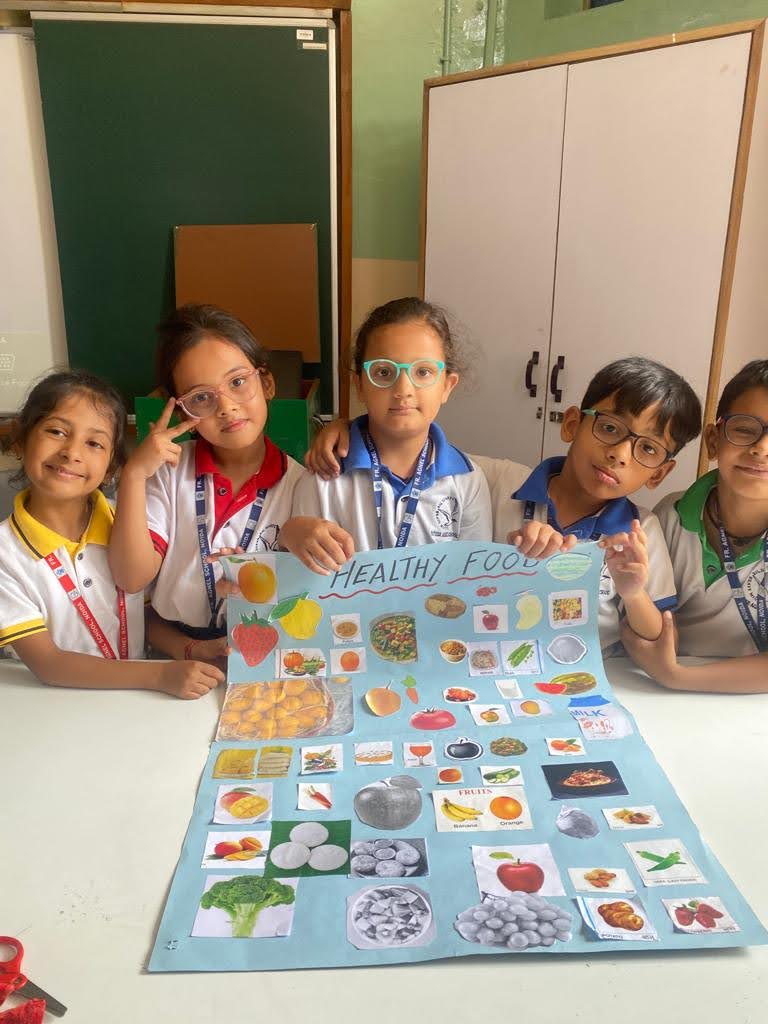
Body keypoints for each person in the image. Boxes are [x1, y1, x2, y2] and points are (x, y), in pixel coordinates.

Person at [305, 356, 702, 650]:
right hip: (486, 662)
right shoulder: (497, 481)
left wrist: (632, 592)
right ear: (571, 424)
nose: (619, 454)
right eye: (610, 428)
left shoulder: (639, 531)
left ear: (660, 473)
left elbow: (657, 636)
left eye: (647, 449)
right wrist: (347, 429)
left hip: (590, 674)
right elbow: (412, 451)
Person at [0, 370, 223, 697]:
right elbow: (48, 663)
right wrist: (160, 675)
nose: (72, 452)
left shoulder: (127, 523)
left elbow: (144, 615)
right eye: (57, 431)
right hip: (51, 707)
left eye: (94, 443)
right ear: (20, 440)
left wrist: (189, 648)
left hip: (133, 701)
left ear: (110, 468)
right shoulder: (6, 553)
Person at [108, 305, 306, 662]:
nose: (226, 407)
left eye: (238, 382)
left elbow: (308, 599)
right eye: (201, 397)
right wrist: (134, 475)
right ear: (183, 411)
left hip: (269, 658)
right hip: (174, 660)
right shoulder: (168, 472)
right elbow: (131, 579)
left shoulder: (302, 485)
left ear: (266, 383)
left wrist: (260, 590)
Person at [283, 297, 492, 565]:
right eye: (383, 372)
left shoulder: (468, 481)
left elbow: (473, 574)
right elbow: (304, 574)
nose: (403, 389)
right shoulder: (324, 477)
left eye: (423, 372)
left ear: (447, 386)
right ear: (359, 385)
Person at [622, 360, 768, 692]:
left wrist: (676, 677)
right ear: (713, 440)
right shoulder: (670, 517)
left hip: (749, 698)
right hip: (654, 687)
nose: (761, 448)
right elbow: (648, 627)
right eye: (745, 429)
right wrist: (668, 671)